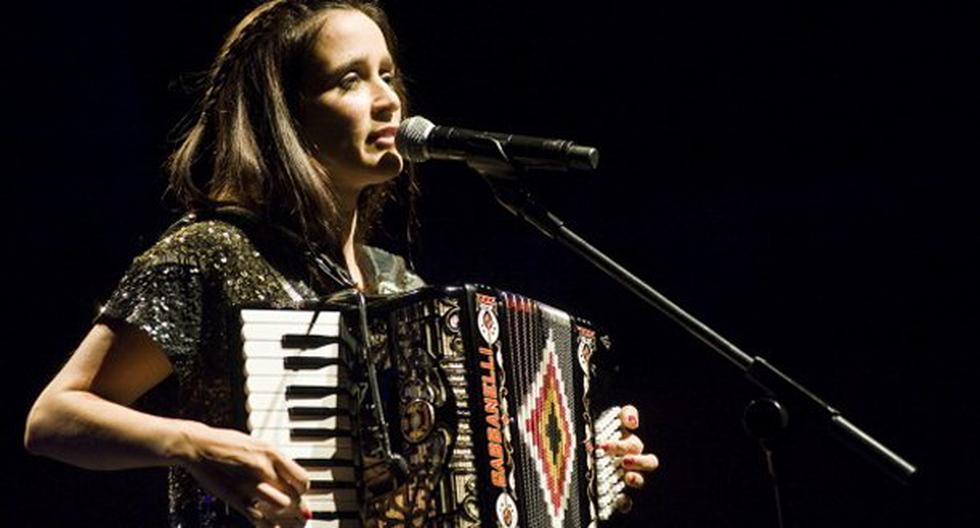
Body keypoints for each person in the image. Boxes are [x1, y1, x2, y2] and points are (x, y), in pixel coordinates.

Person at [23, 1, 660, 526]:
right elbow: (55, 418)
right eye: (350, 79)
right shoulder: (212, 252)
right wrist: (190, 443)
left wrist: (581, 465)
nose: (388, 100)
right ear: (286, 118)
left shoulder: (394, 284)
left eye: (389, 74)